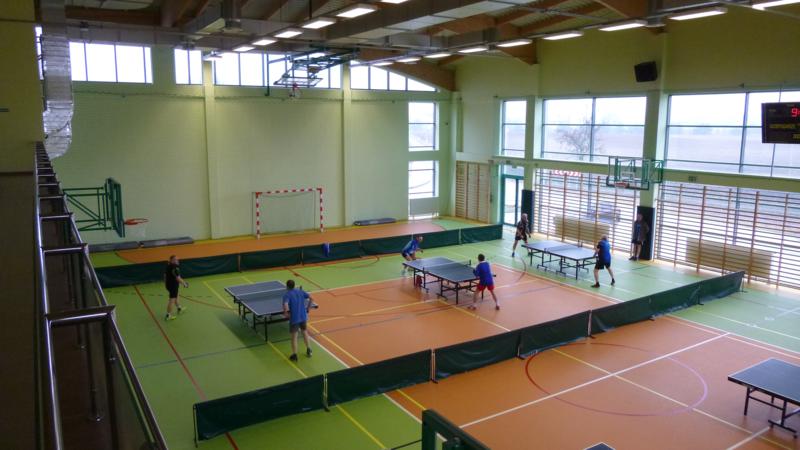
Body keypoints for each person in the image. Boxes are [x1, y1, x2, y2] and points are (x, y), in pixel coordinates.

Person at [282, 279, 313, 361]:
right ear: (294, 285)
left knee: (294, 337)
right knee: (305, 332)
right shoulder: (300, 291)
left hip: (294, 318)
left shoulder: (287, 295)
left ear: (287, 286)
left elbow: (285, 304)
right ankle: (309, 349)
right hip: (303, 317)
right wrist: (308, 308)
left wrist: (286, 313)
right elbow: (312, 298)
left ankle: (294, 354)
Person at [164, 255, 188, 321]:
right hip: (173, 286)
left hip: (169, 285)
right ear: (172, 260)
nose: (177, 260)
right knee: (172, 300)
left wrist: (166, 284)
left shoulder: (168, 266)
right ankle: (168, 315)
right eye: (175, 259)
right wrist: (184, 284)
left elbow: (165, 275)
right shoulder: (175, 268)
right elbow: (178, 278)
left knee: (176, 296)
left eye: (177, 259)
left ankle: (179, 308)